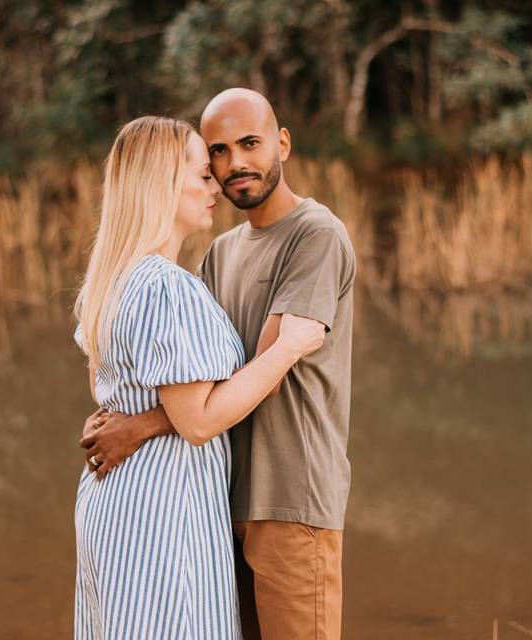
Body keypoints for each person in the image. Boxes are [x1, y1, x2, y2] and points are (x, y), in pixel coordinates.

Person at [81, 89, 356, 640]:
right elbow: (190, 380)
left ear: (282, 144)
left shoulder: (315, 234)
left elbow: (267, 375)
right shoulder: (219, 253)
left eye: (250, 144)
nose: (233, 165)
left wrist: (137, 427)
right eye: (219, 153)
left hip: (289, 496)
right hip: (219, 501)